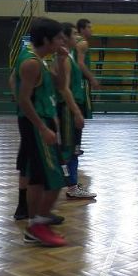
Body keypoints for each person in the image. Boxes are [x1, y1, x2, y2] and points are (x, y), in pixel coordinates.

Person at [14, 17, 69, 247]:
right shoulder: (31, 63)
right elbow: (23, 100)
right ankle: (38, 223)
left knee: (36, 178)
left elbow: (59, 85)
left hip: (40, 122)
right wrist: (42, 127)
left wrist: (61, 60)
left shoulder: (39, 60)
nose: (61, 41)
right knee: (56, 179)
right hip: (38, 124)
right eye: (57, 38)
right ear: (46, 39)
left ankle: (34, 225)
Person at [55, 23, 96, 200]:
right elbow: (64, 89)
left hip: (73, 106)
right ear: (65, 38)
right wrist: (76, 112)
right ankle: (69, 185)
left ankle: (71, 182)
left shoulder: (69, 57)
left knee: (74, 148)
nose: (76, 36)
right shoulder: (65, 60)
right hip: (68, 108)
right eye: (73, 34)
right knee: (69, 148)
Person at [74, 19, 98, 155]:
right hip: (80, 83)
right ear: (82, 29)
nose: (91, 30)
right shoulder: (82, 43)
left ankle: (74, 144)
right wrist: (91, 78)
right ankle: (76, 145)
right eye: (89, 27)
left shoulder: (72, 42)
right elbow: (81, 64)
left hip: (72, 81)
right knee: (79, 114)